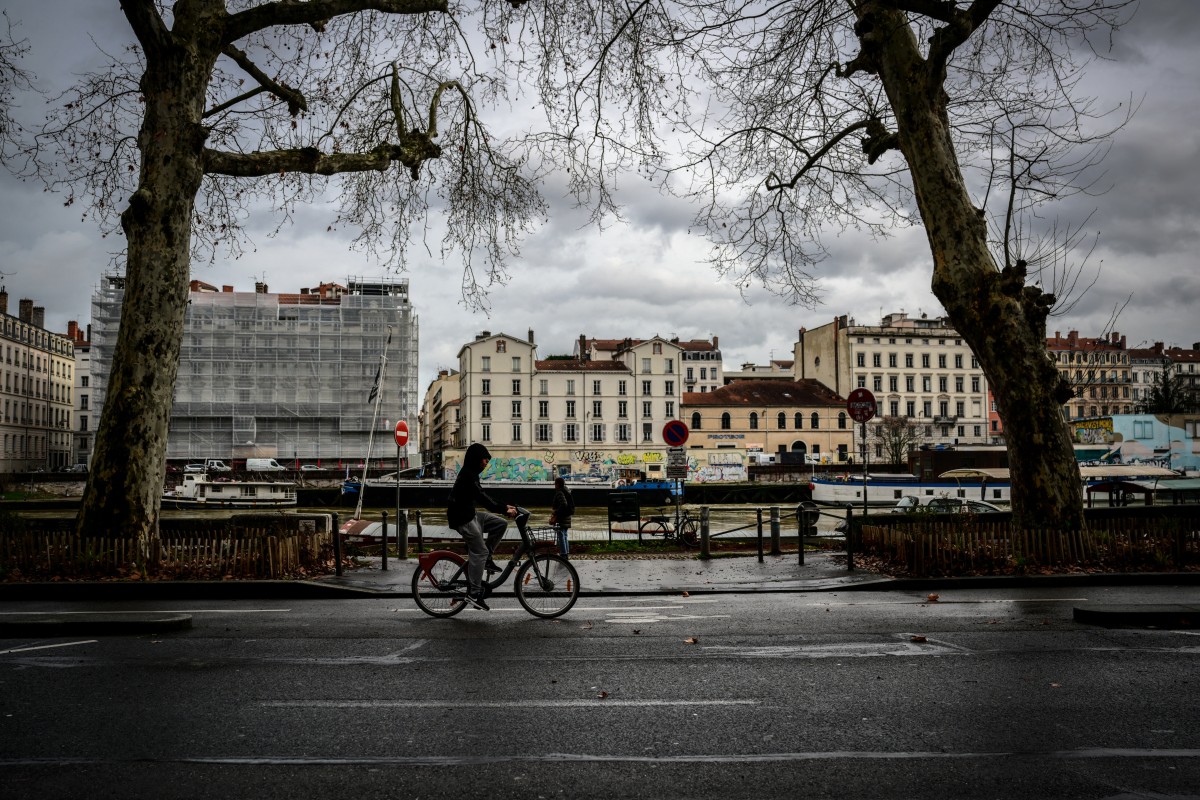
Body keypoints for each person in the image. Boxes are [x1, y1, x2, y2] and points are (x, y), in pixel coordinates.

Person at [446, 442, 517, 610]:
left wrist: (505, 508)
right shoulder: (468, 476)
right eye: (485, 459)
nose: (487, 463)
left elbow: (483, 496)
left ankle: (487, 559)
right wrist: (504, 508)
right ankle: (474, 594)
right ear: (476, 459)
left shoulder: (471, 474)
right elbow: (483, 499)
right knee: (480, 551)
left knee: (500, 524)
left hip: (470, 514)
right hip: (462, 518)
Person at [550, 476, 574, 557]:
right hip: (567, 515)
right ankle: (566, 553)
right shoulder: (567, 490)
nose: (554, 485)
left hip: (562, 516)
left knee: (561, 535)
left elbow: (563, 504)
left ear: (558, 484)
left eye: (555, 484)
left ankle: (563, 554)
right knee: (565, 535)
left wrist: (556, 512)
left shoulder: (560, 492)